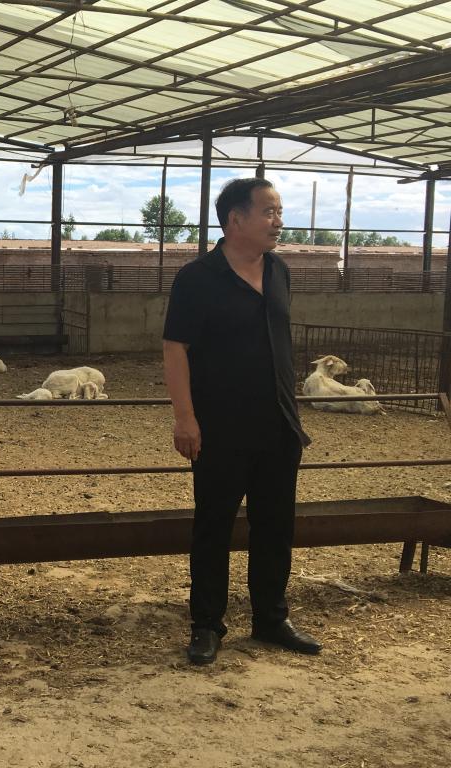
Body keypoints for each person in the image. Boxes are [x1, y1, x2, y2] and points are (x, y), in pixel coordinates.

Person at [162, 177, 320, 666]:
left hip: (278, 425)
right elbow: (175, 349)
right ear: (235, 219)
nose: (278, 221)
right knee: (214, 527)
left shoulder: (279, 271)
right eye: (269, 211)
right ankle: (207, 624)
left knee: (275, 527)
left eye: (279, 211)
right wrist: (185, 418)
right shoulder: (197, 278)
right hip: (219, 428)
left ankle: (270, 618)